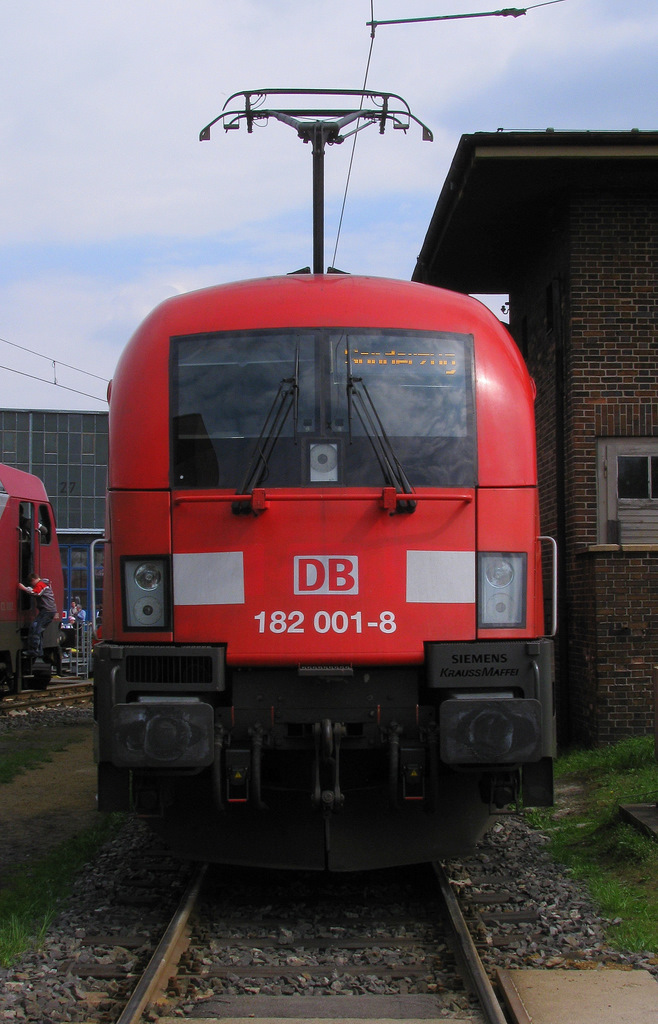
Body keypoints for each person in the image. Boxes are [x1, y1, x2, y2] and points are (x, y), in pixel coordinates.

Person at [18, 573, 58, 658]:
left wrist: (24, 588)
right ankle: (38, 651)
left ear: (33, 580)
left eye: (31, 583)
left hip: (47, 611)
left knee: (35, 627)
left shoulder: (41, 584)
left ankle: (34, 650)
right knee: (38, 630)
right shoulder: (44, 584)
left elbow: (36, 593)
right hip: (48, 611)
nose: (32, 585)